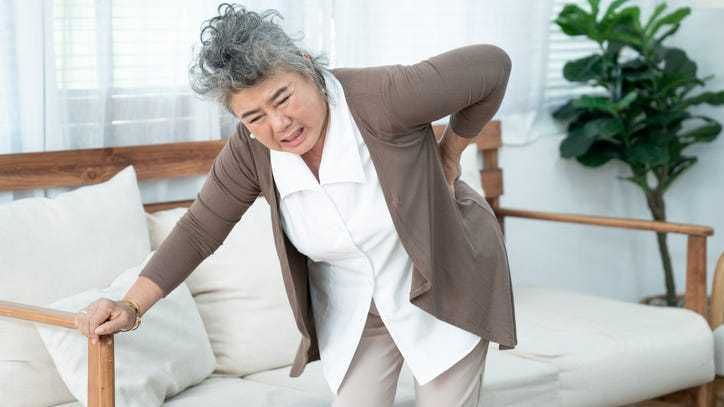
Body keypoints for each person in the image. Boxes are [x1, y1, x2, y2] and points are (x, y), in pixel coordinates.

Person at [74, 3, 516, 406]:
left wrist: (449, 153)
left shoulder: (383, 97)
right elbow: (198, 230)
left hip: (443, 276)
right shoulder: (250, 151)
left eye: (282, 98)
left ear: (307, 66)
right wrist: (130, 306)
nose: (279, 124)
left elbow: (493, 66)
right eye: (254, 117)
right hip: (358, 306)